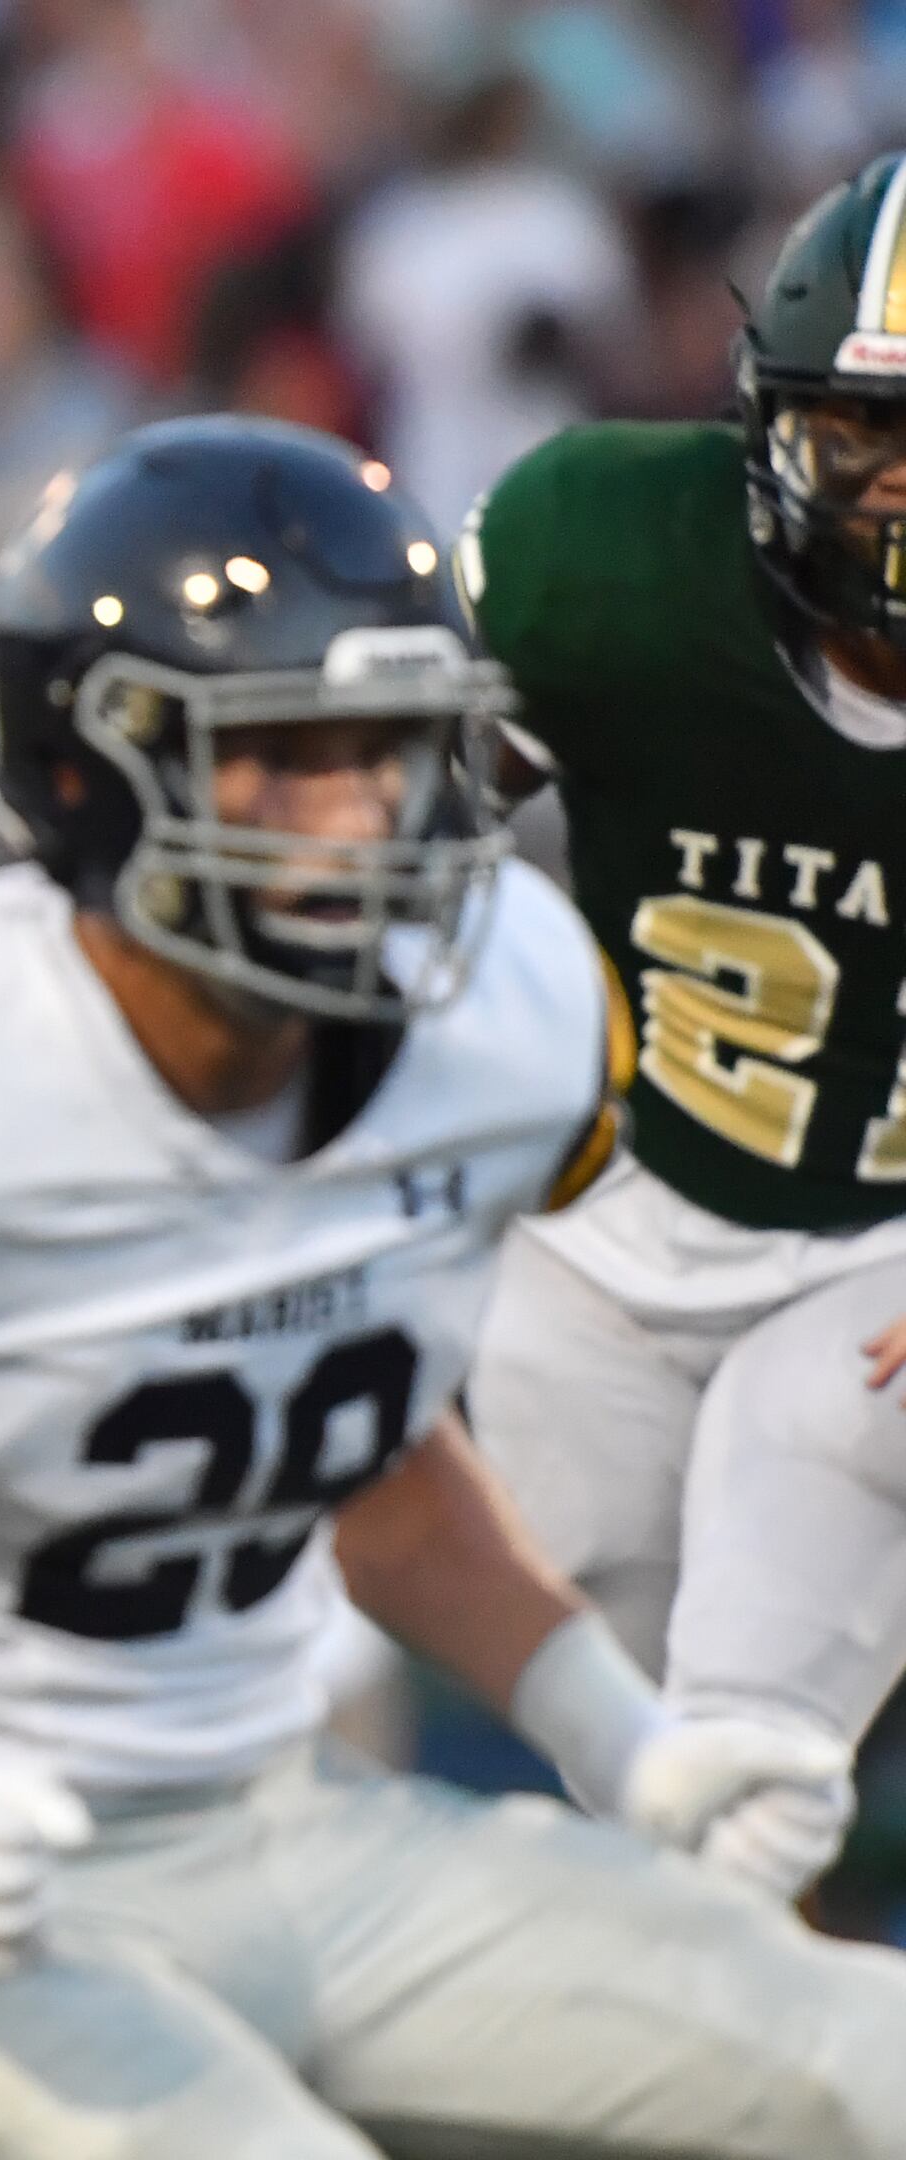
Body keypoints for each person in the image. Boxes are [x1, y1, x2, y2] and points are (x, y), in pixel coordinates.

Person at [0, 416, 906, 2159]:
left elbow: (380, 1464)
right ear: (94, 764)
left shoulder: (503, 1013)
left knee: (877, 2058)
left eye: (387, 757)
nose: (353, 823)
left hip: (284, 1831)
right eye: (286, 759)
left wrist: (622, 1739)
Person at [457, 148, 906, 1899]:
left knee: (742, 1788)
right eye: (866, 434)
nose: (893, 498)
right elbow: (384, 846)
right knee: (643, 1803)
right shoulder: (610, 552)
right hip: (608, 1219)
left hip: (881, 1259)